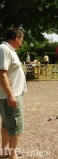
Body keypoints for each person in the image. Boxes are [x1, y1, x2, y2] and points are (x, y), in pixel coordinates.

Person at [0, 27, 27, 158]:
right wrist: (10, 95)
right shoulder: (4, 49)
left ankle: (5, 151)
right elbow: (1, 73)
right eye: (22, 39)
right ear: (17, 37)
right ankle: (12, 155)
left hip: (10, 95)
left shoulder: (9, 50)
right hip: (10, 95)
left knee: (6, 124)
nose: (22, 42)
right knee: (15, 126)